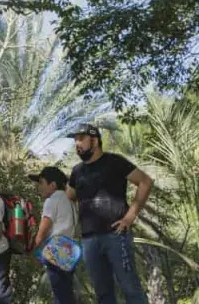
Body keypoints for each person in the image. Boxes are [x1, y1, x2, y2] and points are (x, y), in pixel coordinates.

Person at [66, 124, 153, 304]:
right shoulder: (77, 171)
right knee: (102, 294)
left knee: (130, 288)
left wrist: (129, 217)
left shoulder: (115, 161)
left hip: (116, 235)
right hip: (89, 240)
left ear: (95, 140)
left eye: (81, 139)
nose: (77, 143)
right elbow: (69, 197)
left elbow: (145, 182)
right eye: (75, 140)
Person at [30, 166, 78, 304]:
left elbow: (44, 227)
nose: (39, 187)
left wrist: (34, 249)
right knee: (66, 293)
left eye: (41, 183)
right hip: (71, 249)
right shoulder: (70, 200)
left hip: (56, 249)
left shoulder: (52, 200)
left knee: (60, 295)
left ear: (52, 185)